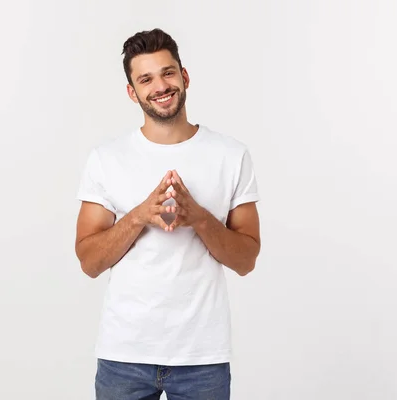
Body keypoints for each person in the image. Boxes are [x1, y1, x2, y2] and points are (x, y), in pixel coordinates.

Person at [75, 28, 261, 400]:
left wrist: (200, 218)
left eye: (168, 73)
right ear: (132, 92)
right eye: (146, 79)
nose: (160, 86)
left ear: (184, 76)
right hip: (124, 355)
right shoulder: (106, 159)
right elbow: (89, 262)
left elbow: (246, 260)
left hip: (202, 358)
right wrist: (139, 215)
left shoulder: (231, 155)